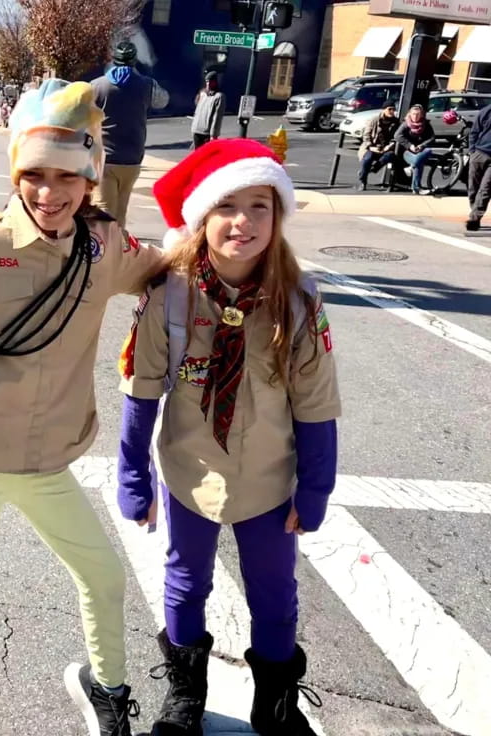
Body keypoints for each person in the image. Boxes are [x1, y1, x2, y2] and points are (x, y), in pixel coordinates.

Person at [0, 79, 167, 736]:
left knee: (104, 578)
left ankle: (109, 696)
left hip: (50, 464)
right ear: (17, 172)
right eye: (35, 175)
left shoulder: (104, 248)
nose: (51, 192)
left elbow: (169, 268)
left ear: (91, 174)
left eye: (68, 175)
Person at [116, 139, 339, 736]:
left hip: (269, 477)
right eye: (227, 207)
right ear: (202, 218)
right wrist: (133, 476)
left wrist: (316, 487)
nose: (243, 222)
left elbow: (316, 403)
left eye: (260, 206)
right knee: (186, 582)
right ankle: (185, 696)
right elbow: (142, 391)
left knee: (275, 593)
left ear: (278, 215)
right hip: (192, 472)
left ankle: (275, 705)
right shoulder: (169, 296)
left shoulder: (298, 300)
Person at [90, 40, 169, 228]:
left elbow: (81, 112)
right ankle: (119, 249)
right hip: (133, 158)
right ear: (134, 60)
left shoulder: (97, 86)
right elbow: (163, 101)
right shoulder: (147, 85)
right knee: (120, 211)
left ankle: (103, 252)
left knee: (103, 211)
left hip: (105, 158)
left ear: (113, 60)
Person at [356, 102, 399, 191]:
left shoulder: (395, 122)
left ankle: (370, 170)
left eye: (393, 109)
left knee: (390, 155)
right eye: (389, 109)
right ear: (384, 109)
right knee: (367, 158)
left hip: (386, 148)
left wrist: (390, 146)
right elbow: (366, 135)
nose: (391, 111)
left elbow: (396, 137)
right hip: (372, 147)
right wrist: (371, 147)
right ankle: (363, 181)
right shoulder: (374, 120)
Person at [394, 103, 436, 195]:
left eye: (418, 114)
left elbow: (432, 138)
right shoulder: (406, 124)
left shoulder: (426, 124)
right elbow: (397, 135)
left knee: (427, 151)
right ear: (410, 114)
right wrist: (410, 145)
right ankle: (416, 188)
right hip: (408, 152)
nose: (415, 116)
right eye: (413, 114)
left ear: (421, 115)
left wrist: (422, 145)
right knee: (419, 163)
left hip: (421, 151)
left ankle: (412, 168)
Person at [466, 101, 491, 231]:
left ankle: (475, 218)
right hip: (479, 153)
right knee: (473, 187)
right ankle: (474, 211)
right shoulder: (486, 111)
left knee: (485, 189)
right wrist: (472, 151)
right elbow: (474, 132)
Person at [191, 71, 226, 149]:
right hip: (196, 130)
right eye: (207, 81)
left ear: (215, 82)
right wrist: (193, 128)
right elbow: (197, 112)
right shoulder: (202, 94)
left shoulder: (219, 96)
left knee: (207, 157)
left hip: (207, 133)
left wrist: (213, 135)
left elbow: (217, 118)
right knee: (197, 156)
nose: (208, 84)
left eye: (211, 81)